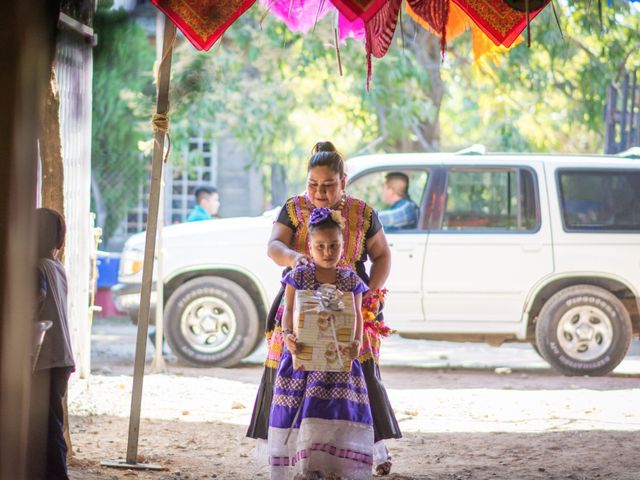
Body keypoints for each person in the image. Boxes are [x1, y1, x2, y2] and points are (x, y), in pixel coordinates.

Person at [247, 141, 400, 476]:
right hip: (298, 302)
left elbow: (382, 255)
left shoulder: (363, 212)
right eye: (313, 185)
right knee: (294, 370)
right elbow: (274, 245)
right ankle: (296, 451)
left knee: (358, 376)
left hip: (354, 305)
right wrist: (294, 258)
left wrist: (369, 295)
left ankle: (367, 451)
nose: (319, 192)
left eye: (328, 185)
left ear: (343, 181)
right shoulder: (293, 207)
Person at [268, 207, 373, 479]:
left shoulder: (351, 280)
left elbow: (358, 316)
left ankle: (334, 467)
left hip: (339, 361)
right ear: (310, 247)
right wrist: (288, 336)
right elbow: (288, 310)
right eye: (320, 246)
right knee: (304, 411)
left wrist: (356, 343)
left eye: (334, 245)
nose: (327, 251)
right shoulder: (298, 276)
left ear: (344, 245)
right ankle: (304, 467)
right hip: (302, 358)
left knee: (335, 410)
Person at [32, 208, 75, 480]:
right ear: (59, 242)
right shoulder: (56, 267)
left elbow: (35, 298)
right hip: (61, 358)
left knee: (47, 431)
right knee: (51, 426)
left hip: (44, 359)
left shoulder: (36, 268)